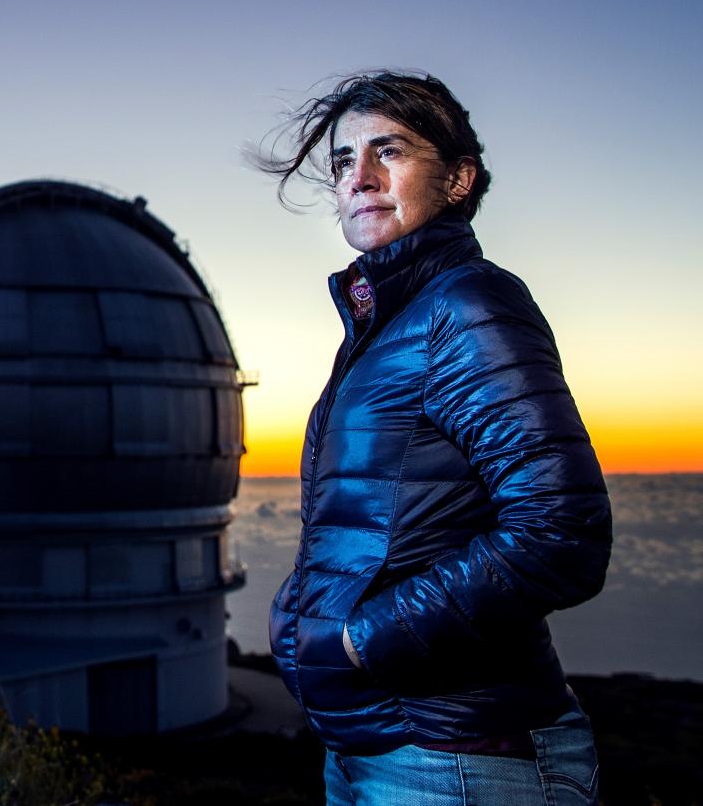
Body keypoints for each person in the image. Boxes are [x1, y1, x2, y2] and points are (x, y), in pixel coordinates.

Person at [255, 71, 613, 804]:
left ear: (457, 180)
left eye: (389, 151)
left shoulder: (468, 304)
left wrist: (362, 640)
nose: (360, 177)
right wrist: (300, 616)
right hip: (371, 748)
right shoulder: (387, 322)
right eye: (344, 160)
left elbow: (564, 532)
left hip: (457, 758)